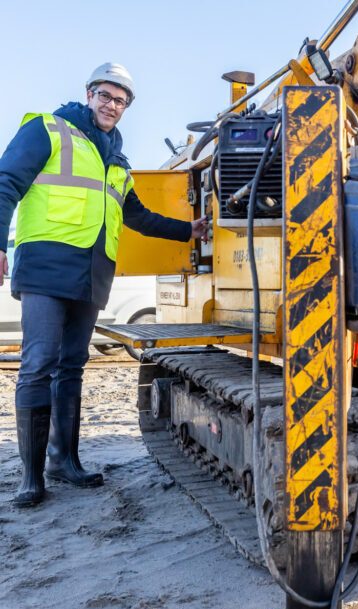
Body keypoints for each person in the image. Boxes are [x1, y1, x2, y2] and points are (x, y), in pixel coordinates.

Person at [0, 63, 209, 508]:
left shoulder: (117, 162)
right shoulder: (49, 130)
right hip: (45, 268)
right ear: (89, 93)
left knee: (72, 365)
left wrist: (187, 231)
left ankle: (65, 462)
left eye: (121, 101)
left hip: (91, 274)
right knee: (38, 364)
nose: (112, 105)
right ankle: (31, 477)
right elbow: (6, 184)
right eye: (106, 95)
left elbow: (137, 217)